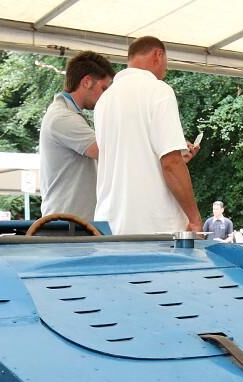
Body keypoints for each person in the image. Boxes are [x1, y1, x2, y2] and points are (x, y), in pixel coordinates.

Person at [93, 36, 201, 235]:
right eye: (166, 66)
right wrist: (194, 219)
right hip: (154, 225)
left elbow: (130, 160)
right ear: (158, 55)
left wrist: (176, 158)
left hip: (110, 224)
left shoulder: (104, 101)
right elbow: (170, 163)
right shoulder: (158, 90)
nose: (164, 72)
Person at [39, 51, 115, 220]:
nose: (106, 96)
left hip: (71, 223)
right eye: (104, 88)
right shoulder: (63, 117)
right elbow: (108, 153)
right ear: (87, 81)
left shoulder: (67, 114)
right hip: (67, 226)